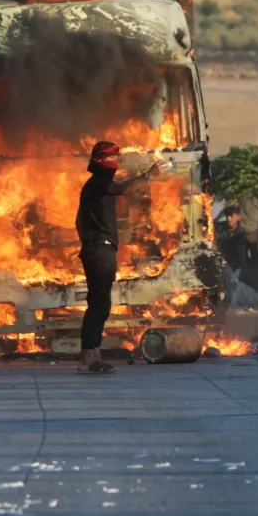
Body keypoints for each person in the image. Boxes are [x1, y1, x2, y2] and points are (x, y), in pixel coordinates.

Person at [76, 141, 165, 373]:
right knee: (99, 305)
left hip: (99, 249)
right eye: (113, 158)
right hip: (100, 251)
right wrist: (148, 176)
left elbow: (79, 222)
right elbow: (122, 189)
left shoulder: (93, 186)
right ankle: (89, 357)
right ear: (102, 161)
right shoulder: (98, 184)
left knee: (98, 303)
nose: (116, 162)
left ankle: (92, 355)